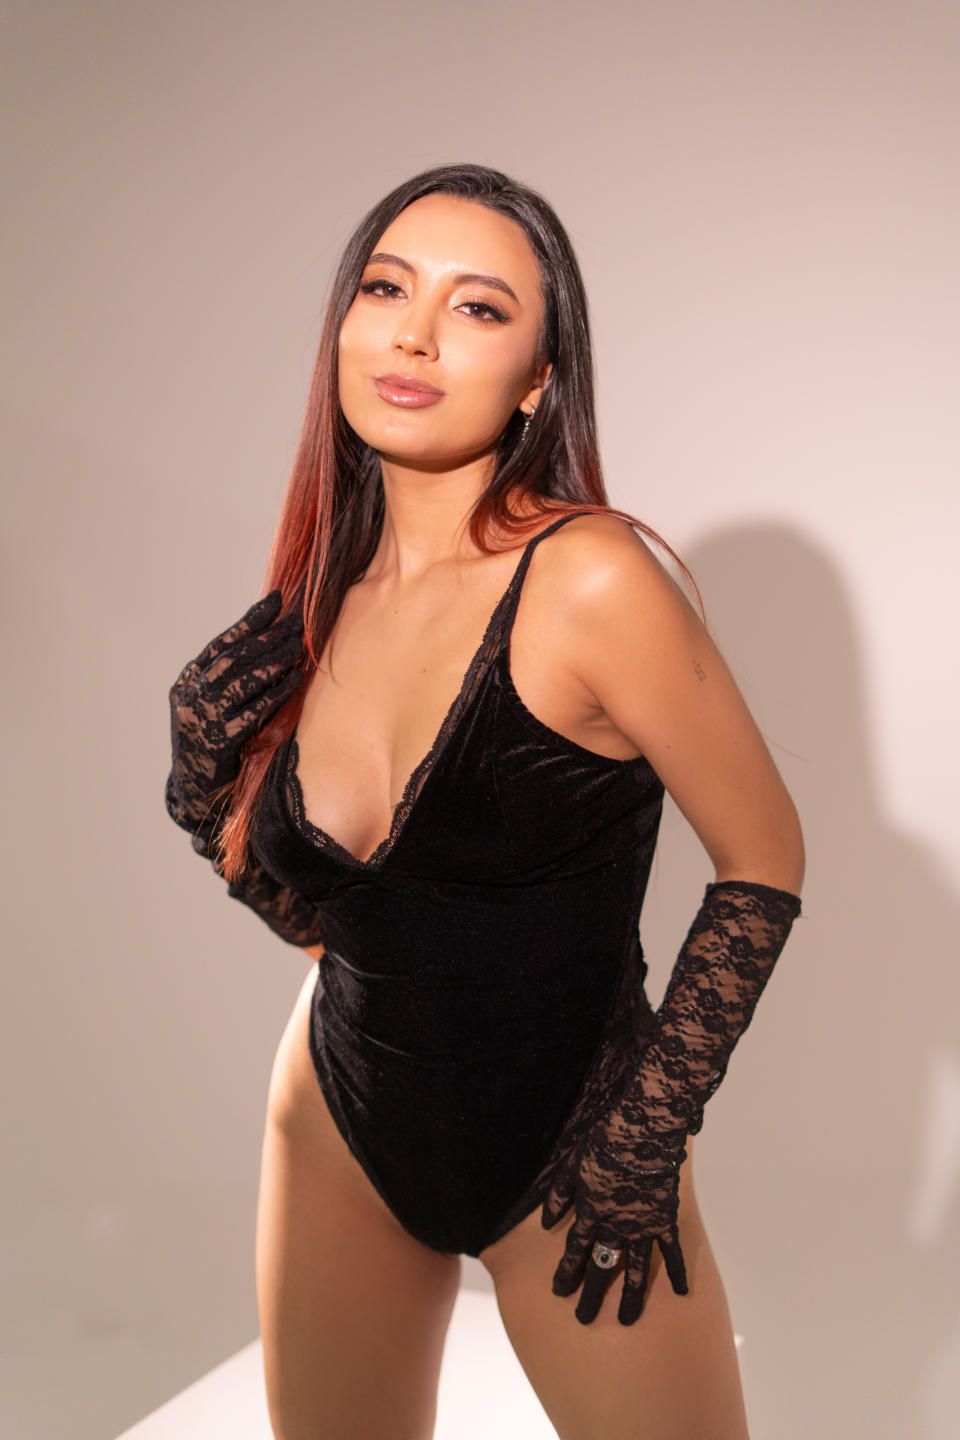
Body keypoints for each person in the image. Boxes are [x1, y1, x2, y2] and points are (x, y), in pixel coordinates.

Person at [165, 162, 804, 1440]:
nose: (413, 334)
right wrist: (207, 796)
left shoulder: (592, 578)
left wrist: (645, 1137)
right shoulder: (317, 603)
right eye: (385, 289)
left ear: (539, 378)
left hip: (570, 1151)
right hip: (339, 1122)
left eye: (477, 307)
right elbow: (342, 918)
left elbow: (764, 858)